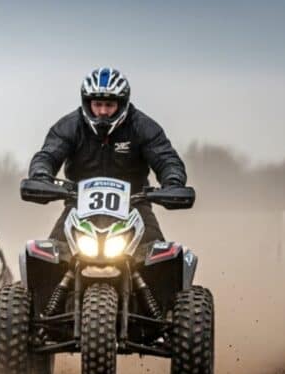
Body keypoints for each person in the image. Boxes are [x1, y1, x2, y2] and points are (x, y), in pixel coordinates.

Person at [28, 67, 187, 245]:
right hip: (78, 207)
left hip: (135, 206)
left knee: (162, 256)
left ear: (122, 104)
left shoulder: (143, 127)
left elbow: (166, 159)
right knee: (49, 256)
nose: (103, 111)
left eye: (109, 105)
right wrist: (40, 176)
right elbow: (47, 155)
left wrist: (173, 181)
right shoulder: (69, 126)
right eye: (97, 104)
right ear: (87, 103)